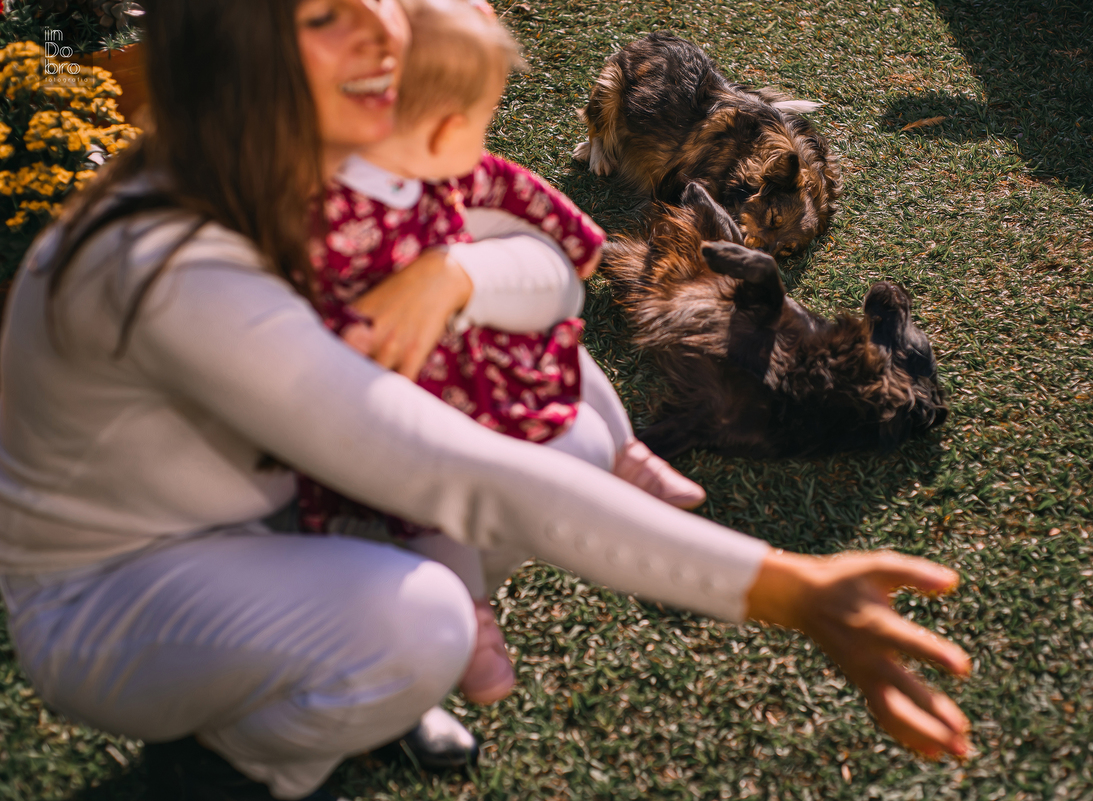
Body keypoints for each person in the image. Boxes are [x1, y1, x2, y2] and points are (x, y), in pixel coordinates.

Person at [0, 2, 972, 801]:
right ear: (230, 57)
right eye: (325, 14)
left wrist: (452, 276)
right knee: (421, 620)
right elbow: (453, 470)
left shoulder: (333, 170)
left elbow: (548, 269)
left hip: (281, 503)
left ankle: (357, 684)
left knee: (577, 439)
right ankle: (258, 760)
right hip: (118, 590)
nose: (387, 27)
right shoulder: (174, 265)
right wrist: (787, 588)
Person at [299, 0, 705, 708]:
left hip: (466, 343)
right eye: (473, 121)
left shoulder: (449, 164)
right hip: (404, 378)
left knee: (564, 351)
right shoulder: (337, 200)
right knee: (435, 499)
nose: (481, 140)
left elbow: (522, 196)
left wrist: (579, 241)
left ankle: (626, 454)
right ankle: (473, 626)